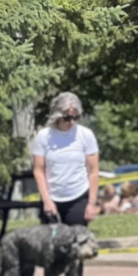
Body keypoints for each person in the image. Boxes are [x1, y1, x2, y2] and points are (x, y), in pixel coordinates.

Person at [32, 92, 100, 226]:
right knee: (49, 244)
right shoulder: (44, 136)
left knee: (76, 243)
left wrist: (92, 203)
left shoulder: (85, 135)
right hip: (52, 198)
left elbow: (93, 171)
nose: (72, 121)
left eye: (76, 117)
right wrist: (46, 201)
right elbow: (38, 171)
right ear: (57, 116)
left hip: (78, 196)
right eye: (67, 117)